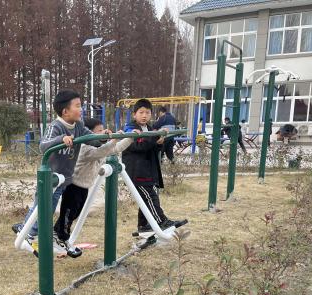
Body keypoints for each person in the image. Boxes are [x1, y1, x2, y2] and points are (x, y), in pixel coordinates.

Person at [12, 90, 93, 248]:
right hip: (51, 178)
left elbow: (90, 138)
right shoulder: (56, 126)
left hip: (65, 178)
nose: (81, 109)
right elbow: (43, 145)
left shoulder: (79, 125)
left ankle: (26, 229)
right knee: (44, 207)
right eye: (77, 106)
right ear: (65, 111)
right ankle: (29, 233)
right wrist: (61, 139)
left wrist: (104, 137)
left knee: (45, 207)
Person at [52, 118, 132, 257]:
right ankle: (61, 238)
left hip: (84, 186)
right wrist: (114, 140)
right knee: (68, 215)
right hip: (73, 185)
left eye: (103, 129)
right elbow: (102, 151)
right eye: (99, 131)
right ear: (88, 134)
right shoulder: (85, 147)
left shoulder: (100, 146)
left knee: (74, 214)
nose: (103, 132)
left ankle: (57, 234)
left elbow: (114, 149)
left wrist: (130, 138)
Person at [123, 99, 187, 236]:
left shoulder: (150, 129)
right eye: (141, 112)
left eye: (147, 113)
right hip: (136, 171)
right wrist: (156, 136)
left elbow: (152, 148)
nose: (144, 116)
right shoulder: (130, 129)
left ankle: (143, 226)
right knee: (150, 197)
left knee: (145, 199)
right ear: (134, 114)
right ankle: (161, 221)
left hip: (147, 170)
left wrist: (159, 142)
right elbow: (139, 146)